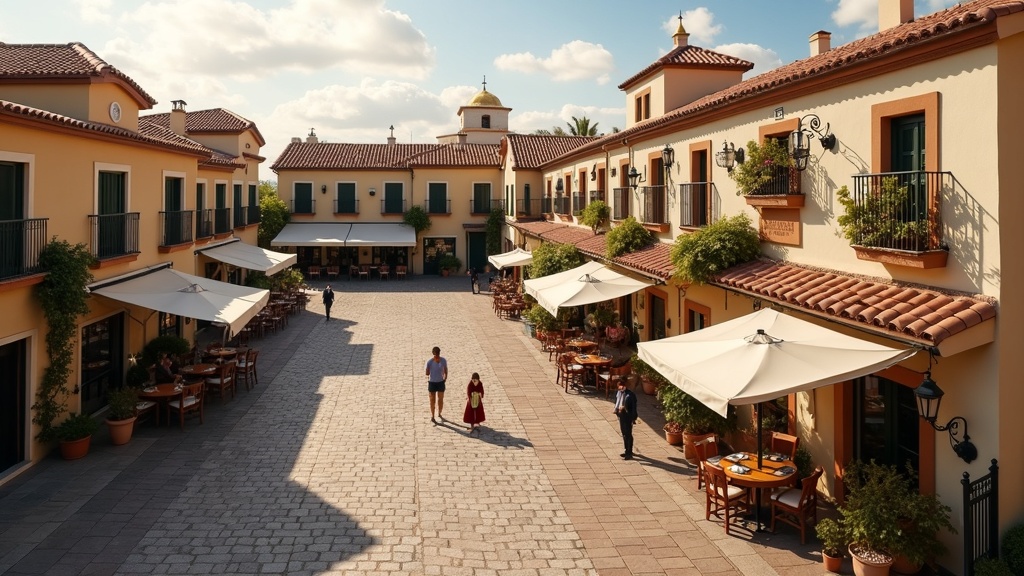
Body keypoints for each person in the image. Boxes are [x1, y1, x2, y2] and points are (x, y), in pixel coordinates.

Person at [613, 378, 638, 460]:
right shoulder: (619, 393)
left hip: (628, 416)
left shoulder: (630, 395)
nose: (620, 388)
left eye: (621, 386)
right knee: (624, 433)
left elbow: (634, 407)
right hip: (621, 416)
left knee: (628, 434)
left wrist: (633, 418)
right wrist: (617, 410)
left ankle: (629, 452)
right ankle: (626, 450)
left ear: (624, 386)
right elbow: (617, 401)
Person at [424, 346, 448, 424]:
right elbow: (427, 373)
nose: (436, 356)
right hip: (432, 383)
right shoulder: (429, 362)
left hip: (440, 382)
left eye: (437, 355)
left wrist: (445, 378)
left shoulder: (443, 361)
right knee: (432, 400)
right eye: (435, 355)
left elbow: (445, 370)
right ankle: (432, 415)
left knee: (440, 399)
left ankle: (439, 413)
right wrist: (428, 370)